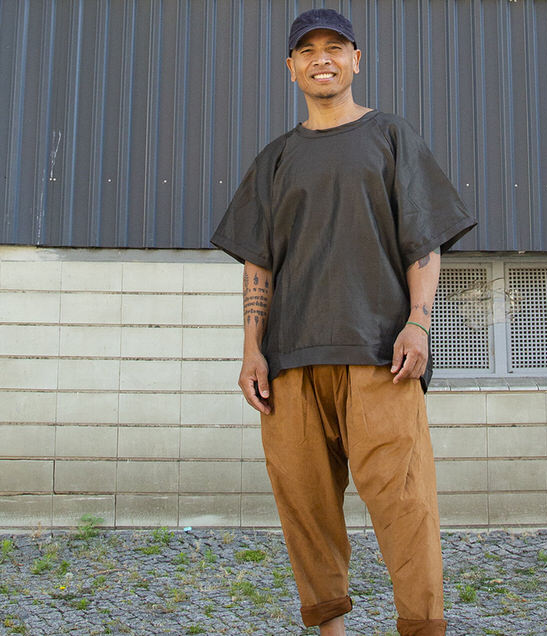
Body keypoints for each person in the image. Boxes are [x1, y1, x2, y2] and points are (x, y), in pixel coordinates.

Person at [211, 8, 476, 636]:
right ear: (291, 68)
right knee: (306, 511)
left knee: (405, 504)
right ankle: (329, 628)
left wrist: (419, 323)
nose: (321, 59)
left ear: (356, 59)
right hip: (291, 362)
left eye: (335, 47)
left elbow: (423, 241)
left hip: (380, 356)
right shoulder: (276, 159)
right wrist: (251, 348)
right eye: (307, 51)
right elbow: (258, 262)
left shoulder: (390, 136)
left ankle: (422, 626)